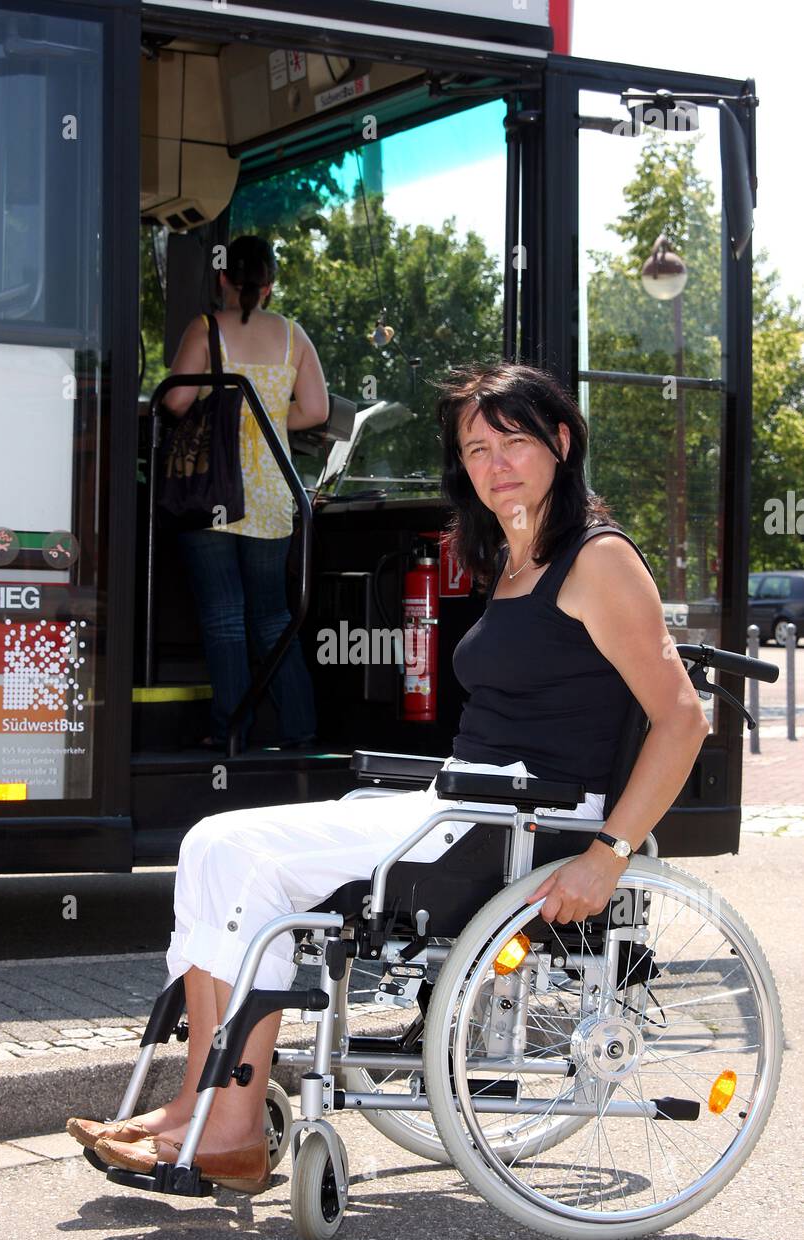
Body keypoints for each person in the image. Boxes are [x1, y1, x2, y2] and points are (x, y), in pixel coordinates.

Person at [67, 362, 709, 1192]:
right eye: (476, 447)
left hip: (521, 820)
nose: (494, 462)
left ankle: (225, 1121)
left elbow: (683, 718)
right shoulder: (517, 561)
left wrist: (610, 852)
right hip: (469, 801)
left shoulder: (597, 559)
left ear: (561, 440)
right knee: (214, 850)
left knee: (235, 849)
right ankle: (203, 1106)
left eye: (514, 440)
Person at [164, 235, 329, 752]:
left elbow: (177, 401)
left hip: (214, 485)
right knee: (273, 614)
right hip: (271, 491)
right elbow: (317, 411)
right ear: (270, 284)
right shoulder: (293, 335)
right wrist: (273, 420)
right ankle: (301, 730)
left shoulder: (206, 328)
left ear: (222, 279)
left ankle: (231, 728)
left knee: (222, 612)